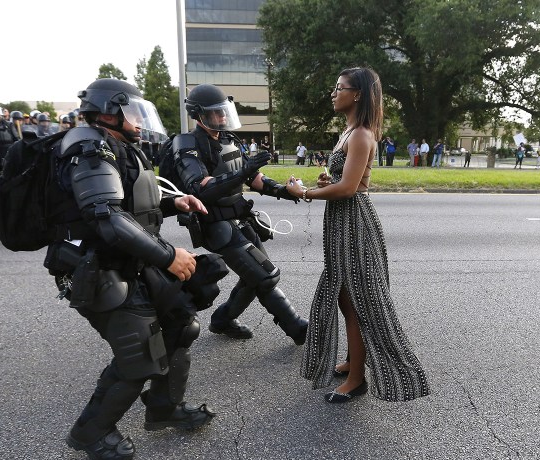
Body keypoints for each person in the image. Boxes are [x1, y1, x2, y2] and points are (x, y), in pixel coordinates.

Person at [46, 78, 220, 460]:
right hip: (98, 268)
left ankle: (164, 408)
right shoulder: (88, 148)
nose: (140, 122)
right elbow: (107, 218)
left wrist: (177, 203)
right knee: (140, 354)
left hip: (129, 260)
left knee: (180, 325)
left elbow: (132, 204)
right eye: (133, 113)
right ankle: (91, 432)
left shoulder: (116, 146)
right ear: (110, 111)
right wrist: (167, 255)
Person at [286, 67, 430, 403]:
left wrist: (304, 192)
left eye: (340, 88)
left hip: (354, 224)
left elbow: (350, 188)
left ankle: (356, 379)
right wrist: (326, 182)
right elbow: (342, 181)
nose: (334, 93)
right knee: (343, 296)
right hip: (341, 222)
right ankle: (353, 361)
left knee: (358, 302)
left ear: (358, 94)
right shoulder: (348, 132)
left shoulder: (362, 134)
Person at [171, 83, 308, 344]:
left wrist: (284, 191)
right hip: (215, 224)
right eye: (216, 113)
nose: (222, 117)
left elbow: (254, 178)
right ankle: (297, 328)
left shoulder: (228, 140)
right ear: (199, 114)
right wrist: (243, 172)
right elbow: (199, 188)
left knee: (254, 276)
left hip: (240, 218)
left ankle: (223, 320)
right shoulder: (187, 143)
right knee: (265, 275)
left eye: (224, 112)